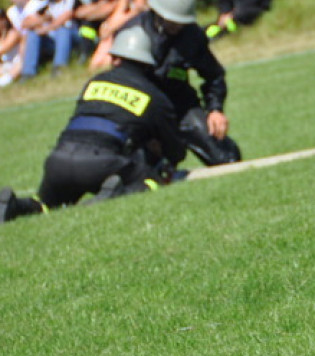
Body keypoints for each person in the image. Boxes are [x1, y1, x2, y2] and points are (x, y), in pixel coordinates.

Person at [0, 25, 186, 223]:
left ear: (115, 58)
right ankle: (114, 195)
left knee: (45, 204)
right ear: (149, 64)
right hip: (102, 165)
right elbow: (175, 151)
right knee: (152, 180)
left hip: (59, 160)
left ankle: (14, 206)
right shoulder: (154, 96)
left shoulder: (94, 82)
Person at [121, 0, 242, 166]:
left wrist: (215, 109)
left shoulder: (192, 35)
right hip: (142, 110)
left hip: (180, 107)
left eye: (181, 22)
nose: (177, 26)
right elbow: (120, 80)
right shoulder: (135, 32)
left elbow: (214, 75)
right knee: (140, 166)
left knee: (226, 156)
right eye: (173, 21)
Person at [4, 0, 49, 80]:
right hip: (17, 46)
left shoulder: (37, 5)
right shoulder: (11, 11)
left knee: (29, 36)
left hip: (39, 43)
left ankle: (23, 74)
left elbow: (31, 25)